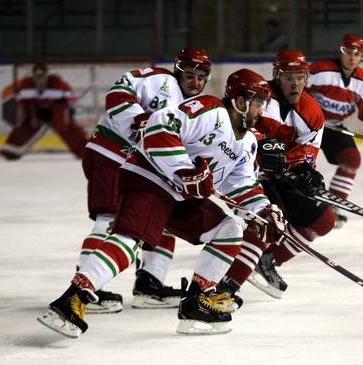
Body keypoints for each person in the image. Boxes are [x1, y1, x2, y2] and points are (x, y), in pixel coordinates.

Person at [37, 68, 285, 337]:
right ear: (241, 100)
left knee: (229, 231)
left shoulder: (247, 142)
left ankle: (195, 303)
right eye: (259, 102)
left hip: (179, 196)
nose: (262, 110)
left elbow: (242, 185)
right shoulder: (210, 110)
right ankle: (71, 300)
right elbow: (158, 126)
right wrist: (184, 171)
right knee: (129, 240)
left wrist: (263, 212)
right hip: (149, 178)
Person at [78, 48, 211, 314]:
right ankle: (83, 289)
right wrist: (138, 120)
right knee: (109, 219)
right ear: (177, 70)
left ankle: (150, 284)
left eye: (200, 77)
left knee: (160, 216)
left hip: (140, 167)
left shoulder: (191, 109)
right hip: (111, 154)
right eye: (190, 75)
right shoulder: (160, 80)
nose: (195, 82)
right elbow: (117, 93)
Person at [223, 49, 335, 300]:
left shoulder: (312, 112)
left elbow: (307, 150)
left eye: (300, 77)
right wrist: (261, 144)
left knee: (324, 221)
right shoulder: (259, 96)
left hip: (277, 176)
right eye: (288, 77)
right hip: (245, 173)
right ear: (276, 76)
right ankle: (224, 285)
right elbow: (235, 126)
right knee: (269, 221)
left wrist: (305, 169)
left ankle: (268, 260)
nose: (295, 84)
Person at [305, 33, 363, 228]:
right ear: (340, 51)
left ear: (362, 56)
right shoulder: (320, 70)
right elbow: (296, 91)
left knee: (352, 160)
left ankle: (333, 207)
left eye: (357, 53)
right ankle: (301, 208)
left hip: (334, 127)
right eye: (348, 52)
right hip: (306, 125)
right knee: (302, 167)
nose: (352, 57)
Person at [0, 62, 88, 160]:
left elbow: (70, 100)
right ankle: (10, 151)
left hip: (57, 109)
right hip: (37, 110)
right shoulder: (25, 85)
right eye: (37, 77)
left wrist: (67, 113)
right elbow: (24, 104)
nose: (39, 80)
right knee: (27, 125)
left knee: (65, 126)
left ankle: (86, 152)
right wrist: (30, 116)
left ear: (47, 75)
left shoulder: (58, 83)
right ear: (33, 76)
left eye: (42, 77)